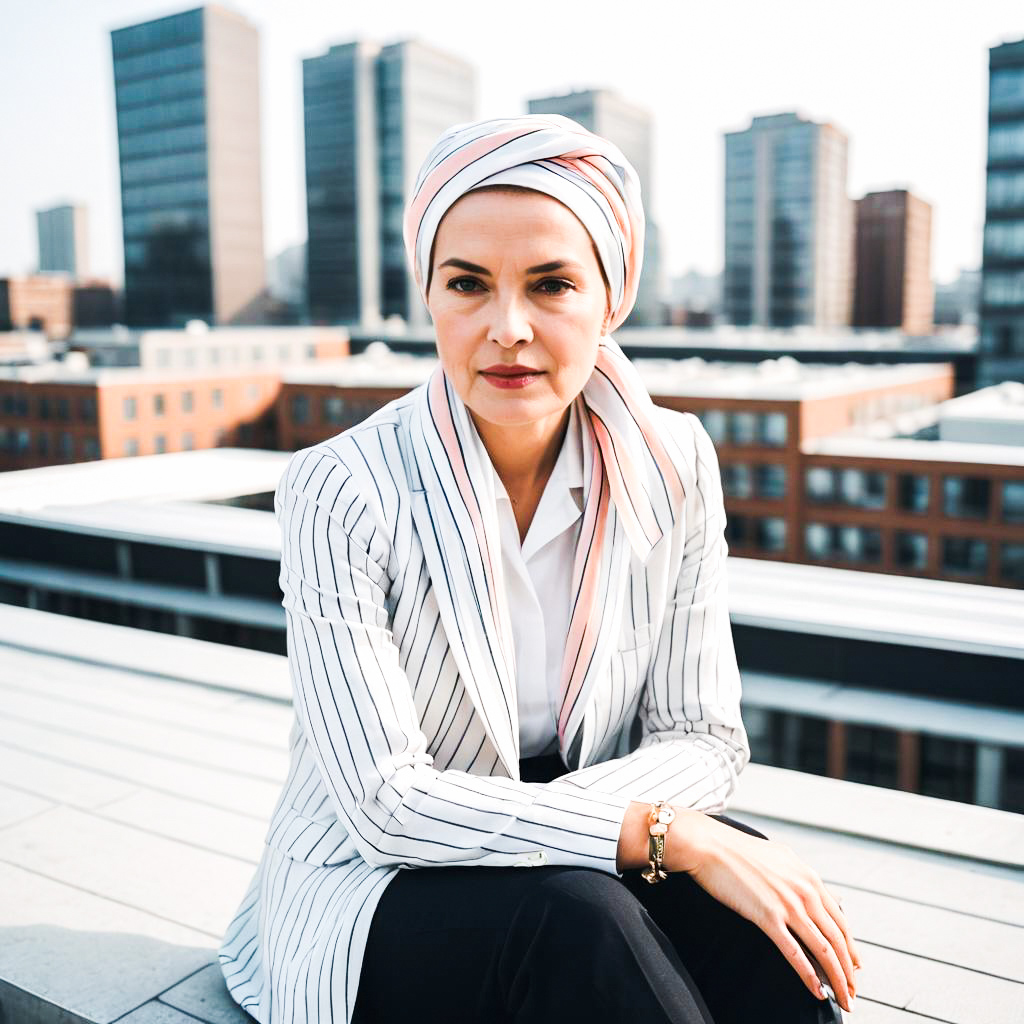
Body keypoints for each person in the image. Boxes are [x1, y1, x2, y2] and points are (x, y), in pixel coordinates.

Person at [219, 113, 860, 1024]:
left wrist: (619, 835)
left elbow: (704, 738)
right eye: (468, 285)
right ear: (429, 297)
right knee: (582, 915)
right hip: (376, 887)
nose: (506, 328)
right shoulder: (342, 486)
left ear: (611, 298)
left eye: (551, 284)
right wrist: (647, 834)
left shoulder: (674, 462)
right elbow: (385, 804)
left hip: (572, 861)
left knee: (756, 915)